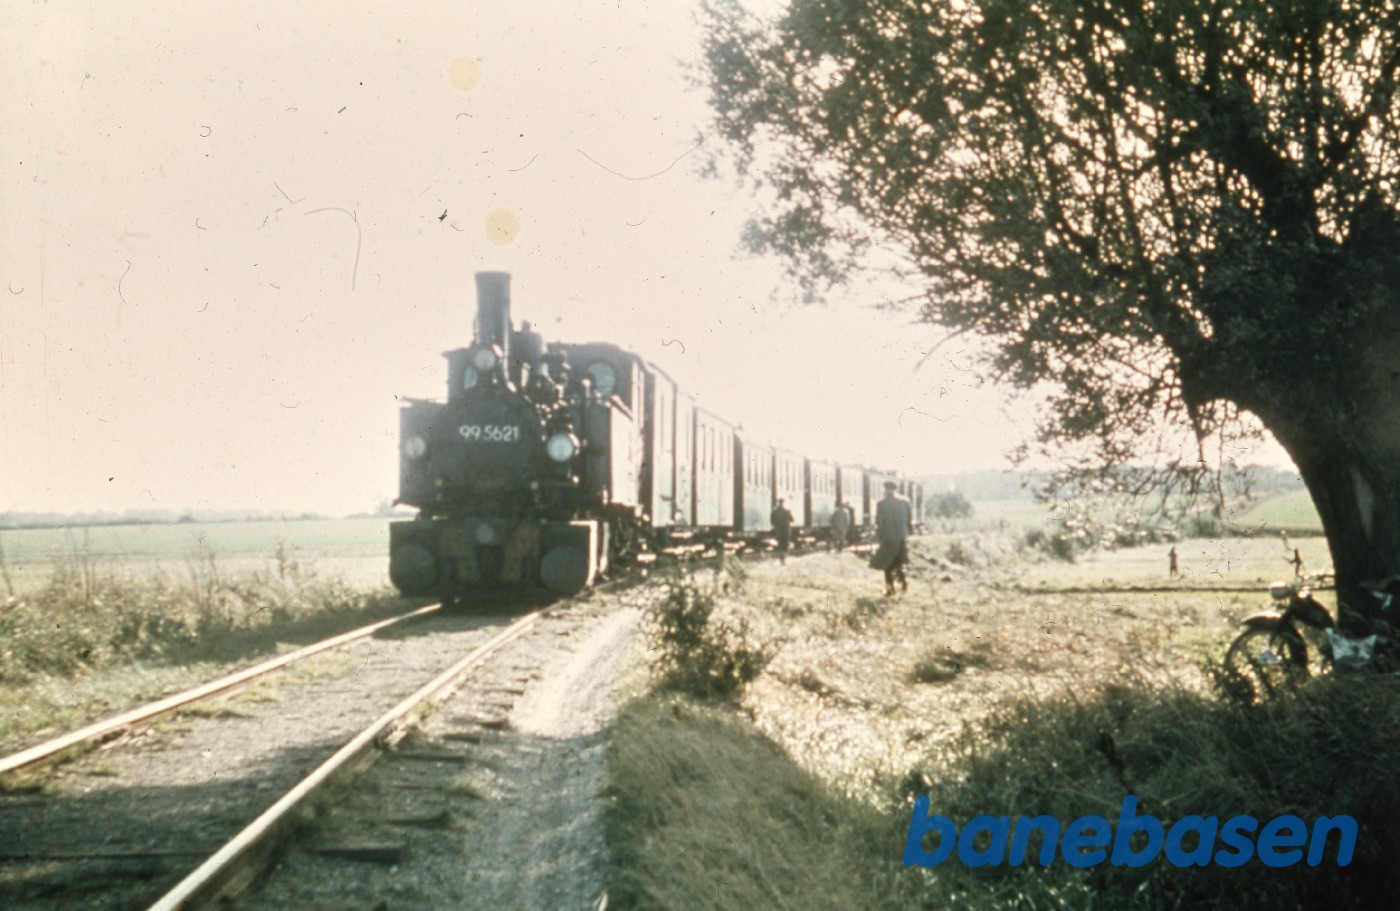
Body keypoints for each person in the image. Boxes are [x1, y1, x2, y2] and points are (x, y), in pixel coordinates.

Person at [871, 481, 912, 595]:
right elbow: (909, 519)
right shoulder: (905, 501)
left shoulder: (882, 503)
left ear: (886, 489)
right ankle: (904, 583)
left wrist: (879, 535)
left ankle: (890, 589)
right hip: (901, 537)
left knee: (887, 563)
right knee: (898, 561)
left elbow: (880, 521)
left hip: (888, 537)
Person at [771, 498, 795, 564]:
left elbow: (772, 521)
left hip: (778, 531)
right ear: (783, 502)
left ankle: (781, 558)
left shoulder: (774, 511)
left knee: (780, 544)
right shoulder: (787, 511)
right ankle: (783, 559)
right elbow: (792, 519)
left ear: (778, 502)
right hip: (786, 531)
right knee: (785, 545)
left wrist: (776, 525)